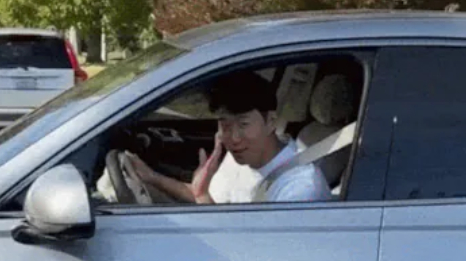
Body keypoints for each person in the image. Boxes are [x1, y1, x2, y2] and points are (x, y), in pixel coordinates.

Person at [127, 70, 331, 204]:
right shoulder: (242, 157)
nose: (233, 137)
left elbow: (250, 257)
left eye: (243, 124)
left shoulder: (299, 190)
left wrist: (201, 196)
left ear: (271, 121)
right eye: (224, 125)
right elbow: (206, 196)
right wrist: (152, 178)